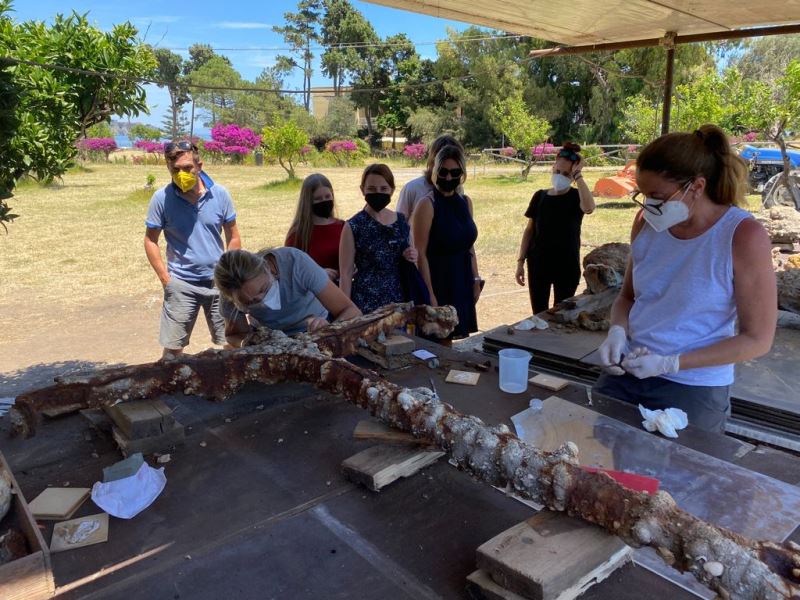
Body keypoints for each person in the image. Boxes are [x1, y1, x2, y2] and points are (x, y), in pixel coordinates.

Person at [594, 124, 776, 433]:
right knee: (599, 462)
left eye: (658, 196)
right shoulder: (646, 223)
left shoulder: (742, 236)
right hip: (628, 370)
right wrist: (617, 332)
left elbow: (757, 340)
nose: (649, 206)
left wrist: (671, 363)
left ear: (697, 187)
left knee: (678, 477)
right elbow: (628, 297)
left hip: (694, 385)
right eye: (644, 195)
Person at [144, 140, 241, 359]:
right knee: (172, 352)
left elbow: (233, 235)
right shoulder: (161, 199)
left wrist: (230, 271)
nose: (181, 174)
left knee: (233, 344)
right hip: (181, 283)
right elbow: (150, 240)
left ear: (199, 166)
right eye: (175, 169)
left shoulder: (220, 194)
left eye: (187, 168)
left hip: (219, 283)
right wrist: (165, 279)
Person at [213, 247, 361, 345]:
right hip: (267, 341)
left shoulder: (296, 263)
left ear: (267, 268)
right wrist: (247, 343)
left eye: (263, 288)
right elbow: (234, 335)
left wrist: (330, 330)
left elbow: (351, 311)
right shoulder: (230, 293)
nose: (261, 299)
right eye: (249, 302)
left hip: (317, 331)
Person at [515, 142, 595, 315]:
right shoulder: (540, 196)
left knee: (562, 314)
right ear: (552, 168)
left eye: (566, 174)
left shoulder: (576, 197)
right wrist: (520, 261)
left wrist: (578, 175)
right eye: (557, 172)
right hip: (538, 265)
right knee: (539, 314)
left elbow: (589, 208)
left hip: (567, 266)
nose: (560, 176)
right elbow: (529, 230)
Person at [412, 145, 480, 340]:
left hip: (462, 278)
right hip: (438, 280)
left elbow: (470, 245)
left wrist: (475, 279)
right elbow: (421, 254)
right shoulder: (427, 204)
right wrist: (431, 295)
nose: (449, 178)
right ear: (435, 171)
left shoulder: (466, 202)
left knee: (456, 337)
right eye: (443, 172)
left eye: (454, 172)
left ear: (462, 173)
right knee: (438, 341)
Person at [339, 164, 418, 314]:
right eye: (372, 189)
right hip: (366, 306)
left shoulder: (401, 222)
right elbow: (346, 274)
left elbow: (411, 254)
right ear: (362, 190)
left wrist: (412, 255)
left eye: (383, 189)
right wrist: (346, 312)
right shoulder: (353, 226)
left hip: (400, 305)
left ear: (392, 190)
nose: (378, 193)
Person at [285, 173, 345, 282]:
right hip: (313, 295)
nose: (324, 201)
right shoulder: (298, 234)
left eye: (327, 196)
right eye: (318, 199)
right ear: (308, 202)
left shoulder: (344, 227)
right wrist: (317, 273)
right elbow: (289, 270)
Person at [396, 135, 464, 220]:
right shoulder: (412, 189)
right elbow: (399, 226)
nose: (448, 178)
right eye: (442, 170)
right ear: (433, 161)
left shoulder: (458, 190)